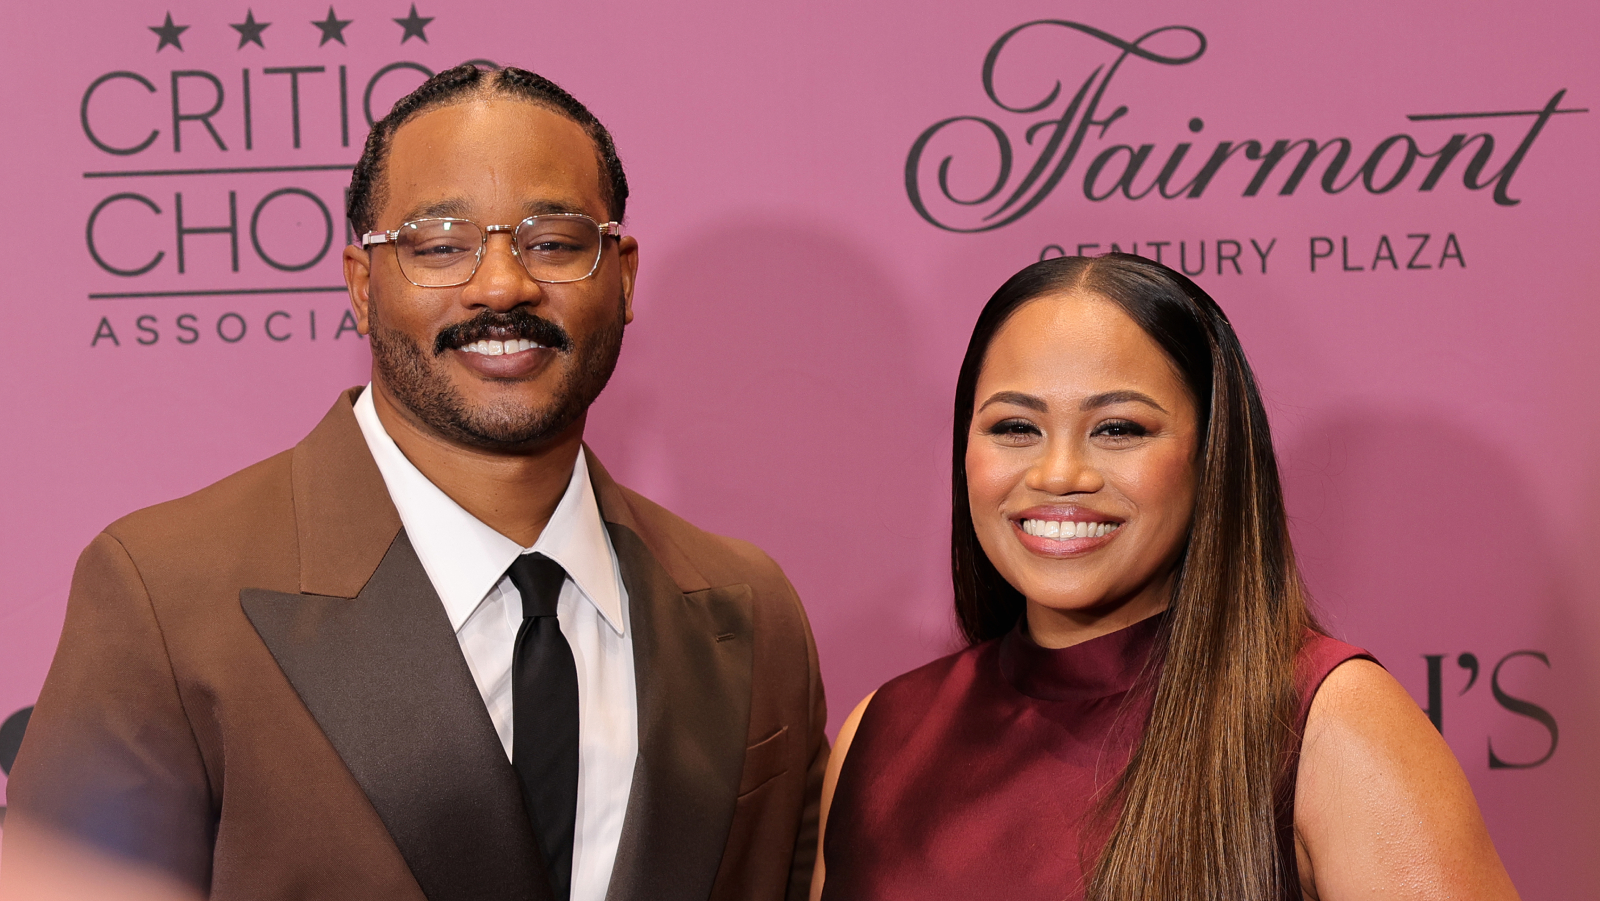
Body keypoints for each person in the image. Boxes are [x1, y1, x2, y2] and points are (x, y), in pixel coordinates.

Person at [2, 64, 826, 901]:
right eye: (440, 246)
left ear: (622, 276)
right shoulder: (166, 598)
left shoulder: (755, 610)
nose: (502, 285)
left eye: (553, 242)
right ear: (363, 286)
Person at [811, 254, 1519, 901]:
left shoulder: (1323, 719)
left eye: (1118, 429)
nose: (1058, 474)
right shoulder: (883, 732)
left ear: (1211, 455)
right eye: (1015, 427)